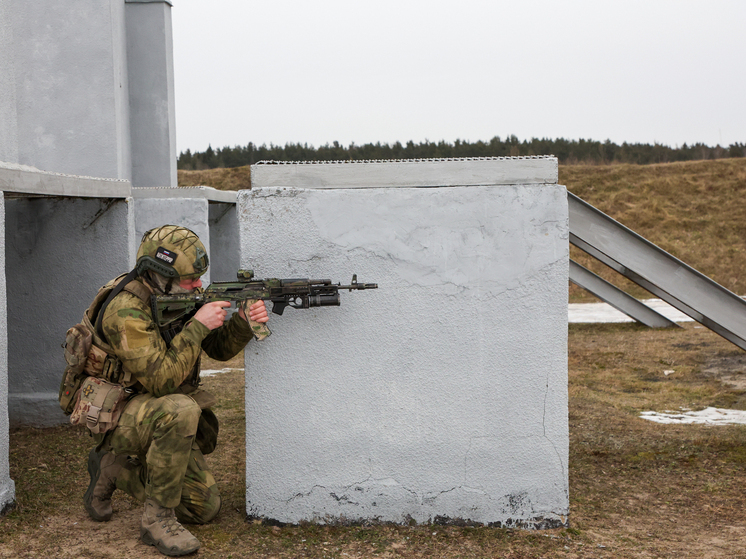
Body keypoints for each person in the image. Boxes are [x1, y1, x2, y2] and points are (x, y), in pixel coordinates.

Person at [81, 224, 268, 557]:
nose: (198, 285)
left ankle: (114, 468)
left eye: (199, 277)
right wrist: (197, 326)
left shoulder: (174, 298)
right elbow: (160, 381)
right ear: (158, 274)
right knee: (183, 410)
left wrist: (242, 321)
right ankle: (157, 520)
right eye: (190, 279)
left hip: (152, 409)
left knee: (203, 508)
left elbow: (220, 350)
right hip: (117, 413)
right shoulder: (125, 311)